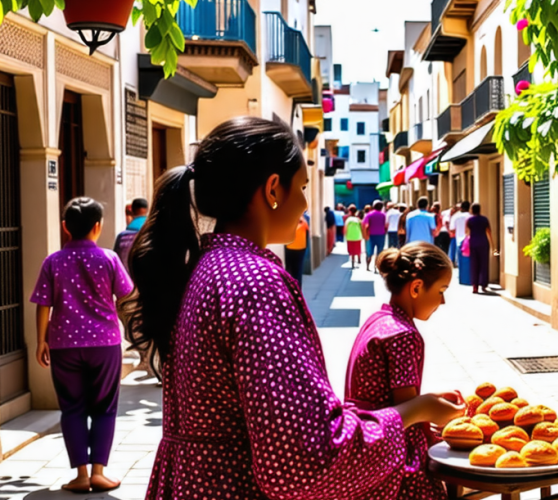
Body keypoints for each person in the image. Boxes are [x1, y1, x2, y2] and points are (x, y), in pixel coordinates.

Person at [119, 117, 463, 498]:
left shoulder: (208, 266)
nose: (304, 202)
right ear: (272, 189)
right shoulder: (255, 283)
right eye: (301, 187)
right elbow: (305, 458)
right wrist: (414, 412)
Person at [32, 197, 133, 493]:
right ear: (98, 227)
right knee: (104, 407)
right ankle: (100, 472)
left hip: (63, 343)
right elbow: (126, 294)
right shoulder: (109, 259)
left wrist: (41, 340)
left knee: (72, 408)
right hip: (105, 343)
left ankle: (80, 475)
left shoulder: (53, 261)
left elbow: (43, 304)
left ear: (65, 227)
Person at [345, 243, 455, 499]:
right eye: (441, 290)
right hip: (391, 454)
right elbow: (408, 409)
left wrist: (433, 399)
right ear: (416, 287)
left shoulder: (379, 320)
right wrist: (437, 413)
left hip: (363, 440)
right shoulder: (403, 335)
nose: (443, 300)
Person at [465, 203, 497, 294]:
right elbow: (489, 231)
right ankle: (483, 284)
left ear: (471, 210)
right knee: (484, 264)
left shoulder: (470, 220)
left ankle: (475, 286)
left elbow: (467, 232)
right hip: (483, 242)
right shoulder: (484, 219)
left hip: (473, 243)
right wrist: (492, 245)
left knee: (474, 264)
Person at [114, 198, 149, 273]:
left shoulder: (122, 237)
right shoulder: (152, 232)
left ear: (132, 210)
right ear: (147, 210)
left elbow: (117, 262)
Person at [364, 201, 389, 272]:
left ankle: (368, 266)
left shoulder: (369, 214)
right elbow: (386, 225)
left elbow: (366, 226)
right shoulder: (384, 215)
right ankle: (376, 267)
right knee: (379, 252)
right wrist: (385, 232)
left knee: (369, 251)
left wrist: (366, 235)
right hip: (381, 235)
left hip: (371, 235)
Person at [284, 215, 309, 285]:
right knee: (298, 271)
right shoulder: (305, 220)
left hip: (290, 247)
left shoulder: (288, 219)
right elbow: (307, 234)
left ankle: (292, 288)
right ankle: (297, 289)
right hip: (300, 248)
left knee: (290, 270)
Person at [451, 201, 471, 270]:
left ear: (461, 208)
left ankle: (462, 275)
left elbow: (452, 229)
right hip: (469, 240)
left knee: (460, 260)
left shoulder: (456, 216)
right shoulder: (471, 216)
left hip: (459, 240)